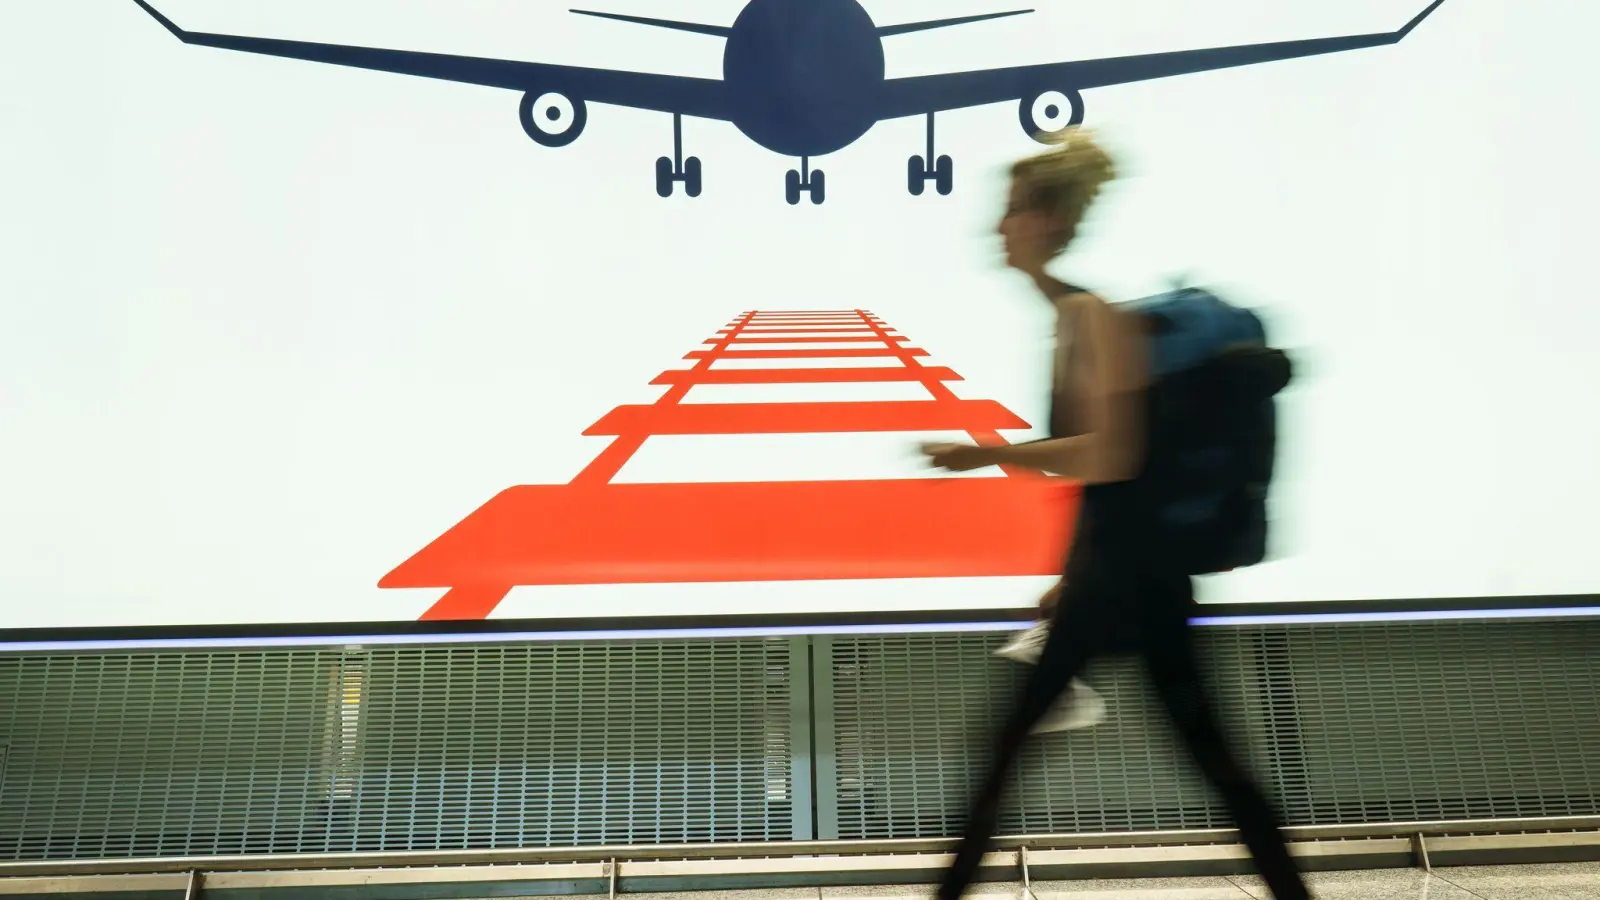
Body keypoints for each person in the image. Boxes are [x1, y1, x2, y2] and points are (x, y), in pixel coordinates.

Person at [921, 128, 1310, 900]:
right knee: (1208, 762)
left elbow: (1110, 455)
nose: (1000, 226)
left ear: (1048, 221)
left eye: (1013, 210)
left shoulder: (1089, 316)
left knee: (1008, 755)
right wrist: (1067, 575)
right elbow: (1107, 484)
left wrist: (987, 453)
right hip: (1121, 574)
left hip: (1128, 577)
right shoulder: (1075, 316)